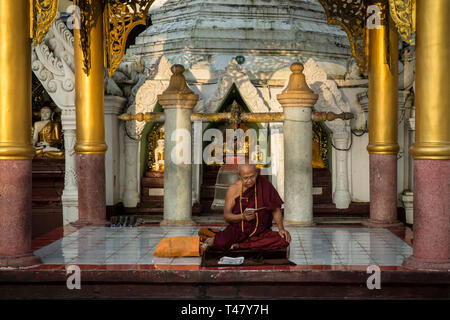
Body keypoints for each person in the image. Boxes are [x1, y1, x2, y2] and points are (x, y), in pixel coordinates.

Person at [205, 159, 291, 251]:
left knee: (284, 239)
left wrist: (281, 228)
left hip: (261, 232)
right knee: (220, 242)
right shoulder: (233, 189)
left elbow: (275, 208)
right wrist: (242, 217)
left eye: (252, 177)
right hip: (238, 231)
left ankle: (241, 246)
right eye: (245, 178)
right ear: (239, 176)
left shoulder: (264, 184)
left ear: (257, 173)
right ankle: (250, 244)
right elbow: (227, 216)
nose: (249, 180)